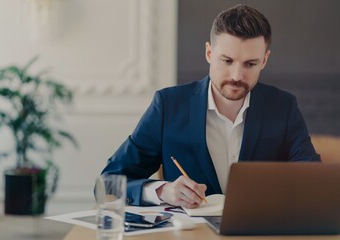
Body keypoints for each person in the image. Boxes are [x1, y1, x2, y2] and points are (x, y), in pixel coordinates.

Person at [100, 4, 320, 209]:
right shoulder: (168, 105)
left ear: (264, 60)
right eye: (227, 61)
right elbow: (108, 181)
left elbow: (313, 179)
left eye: (250, 64)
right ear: (209, 53)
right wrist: (162, 191)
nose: (236, 76)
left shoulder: (283, 106)